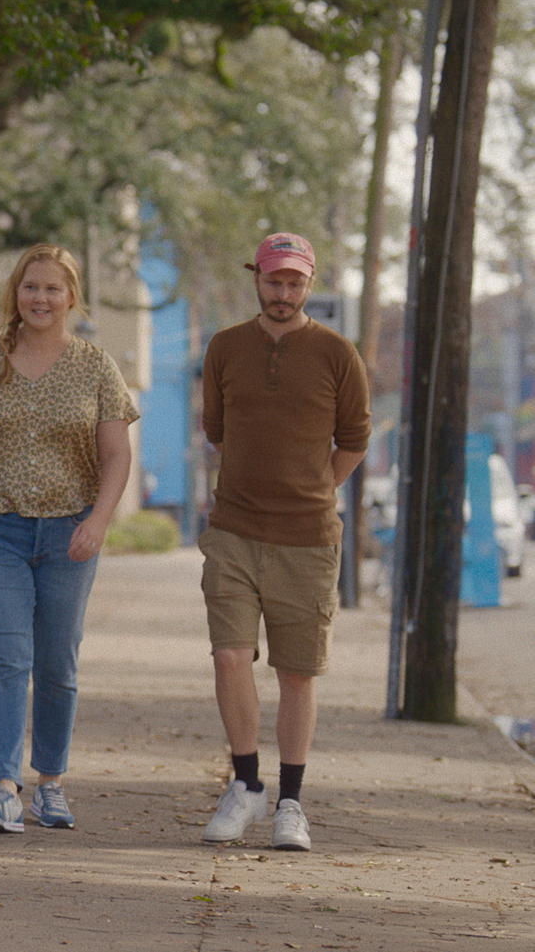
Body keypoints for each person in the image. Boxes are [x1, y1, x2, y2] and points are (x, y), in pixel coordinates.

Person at [0, 243, 137, 833]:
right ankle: (3, 788)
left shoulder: (95, 365)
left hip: (68, 533)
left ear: (71, 297)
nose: (39, 298)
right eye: (29, 287)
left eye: (52, 288)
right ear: (14, 293)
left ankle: (51, 782)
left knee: (57, 663)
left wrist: (98, 521)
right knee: (5, 658)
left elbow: (117, 454)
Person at [198, 232, 369, 852]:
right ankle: (246, 785)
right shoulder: (225, 348)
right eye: (274, 281)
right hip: (235, 529)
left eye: (295, 283)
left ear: (310, 284)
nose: (284, 292)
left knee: (297, 673)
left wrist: (314, 488)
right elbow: (216, 427)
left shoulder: (336, 353)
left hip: (308, 537)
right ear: (257, 280)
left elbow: (354, 436)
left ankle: (291, 802)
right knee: (228, 656)